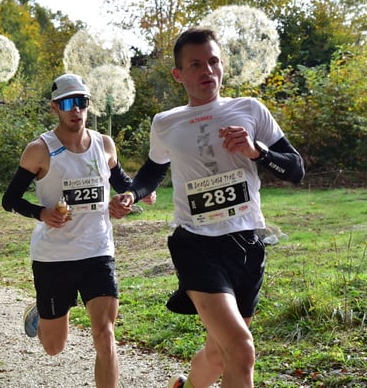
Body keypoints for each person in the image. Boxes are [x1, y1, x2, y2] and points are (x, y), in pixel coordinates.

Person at [109, 27, 305, 388]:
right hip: (197, 244)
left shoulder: (249, 109)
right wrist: (131, 195)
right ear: (178, 74)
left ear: (222, 65)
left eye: (213, 62)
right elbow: (153, 172)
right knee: (242, 350)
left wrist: (256, 151)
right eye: (196, 64)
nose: (207, 71)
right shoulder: (166, 122)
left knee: (219, 352)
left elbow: (296, 169)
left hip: (248, 243)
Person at [2, 73, 151, 388]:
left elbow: (125, 187)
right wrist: (41, 212)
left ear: (88, 105)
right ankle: (42, 314)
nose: (76, 110)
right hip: (54, 257)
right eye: (68, 103)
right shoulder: (39, 150)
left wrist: (126, 201)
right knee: (54, 347)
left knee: (105, 333)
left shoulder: (104, 145)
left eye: (81, 102)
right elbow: (9, 199)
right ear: (55, 107)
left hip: (98, 250)